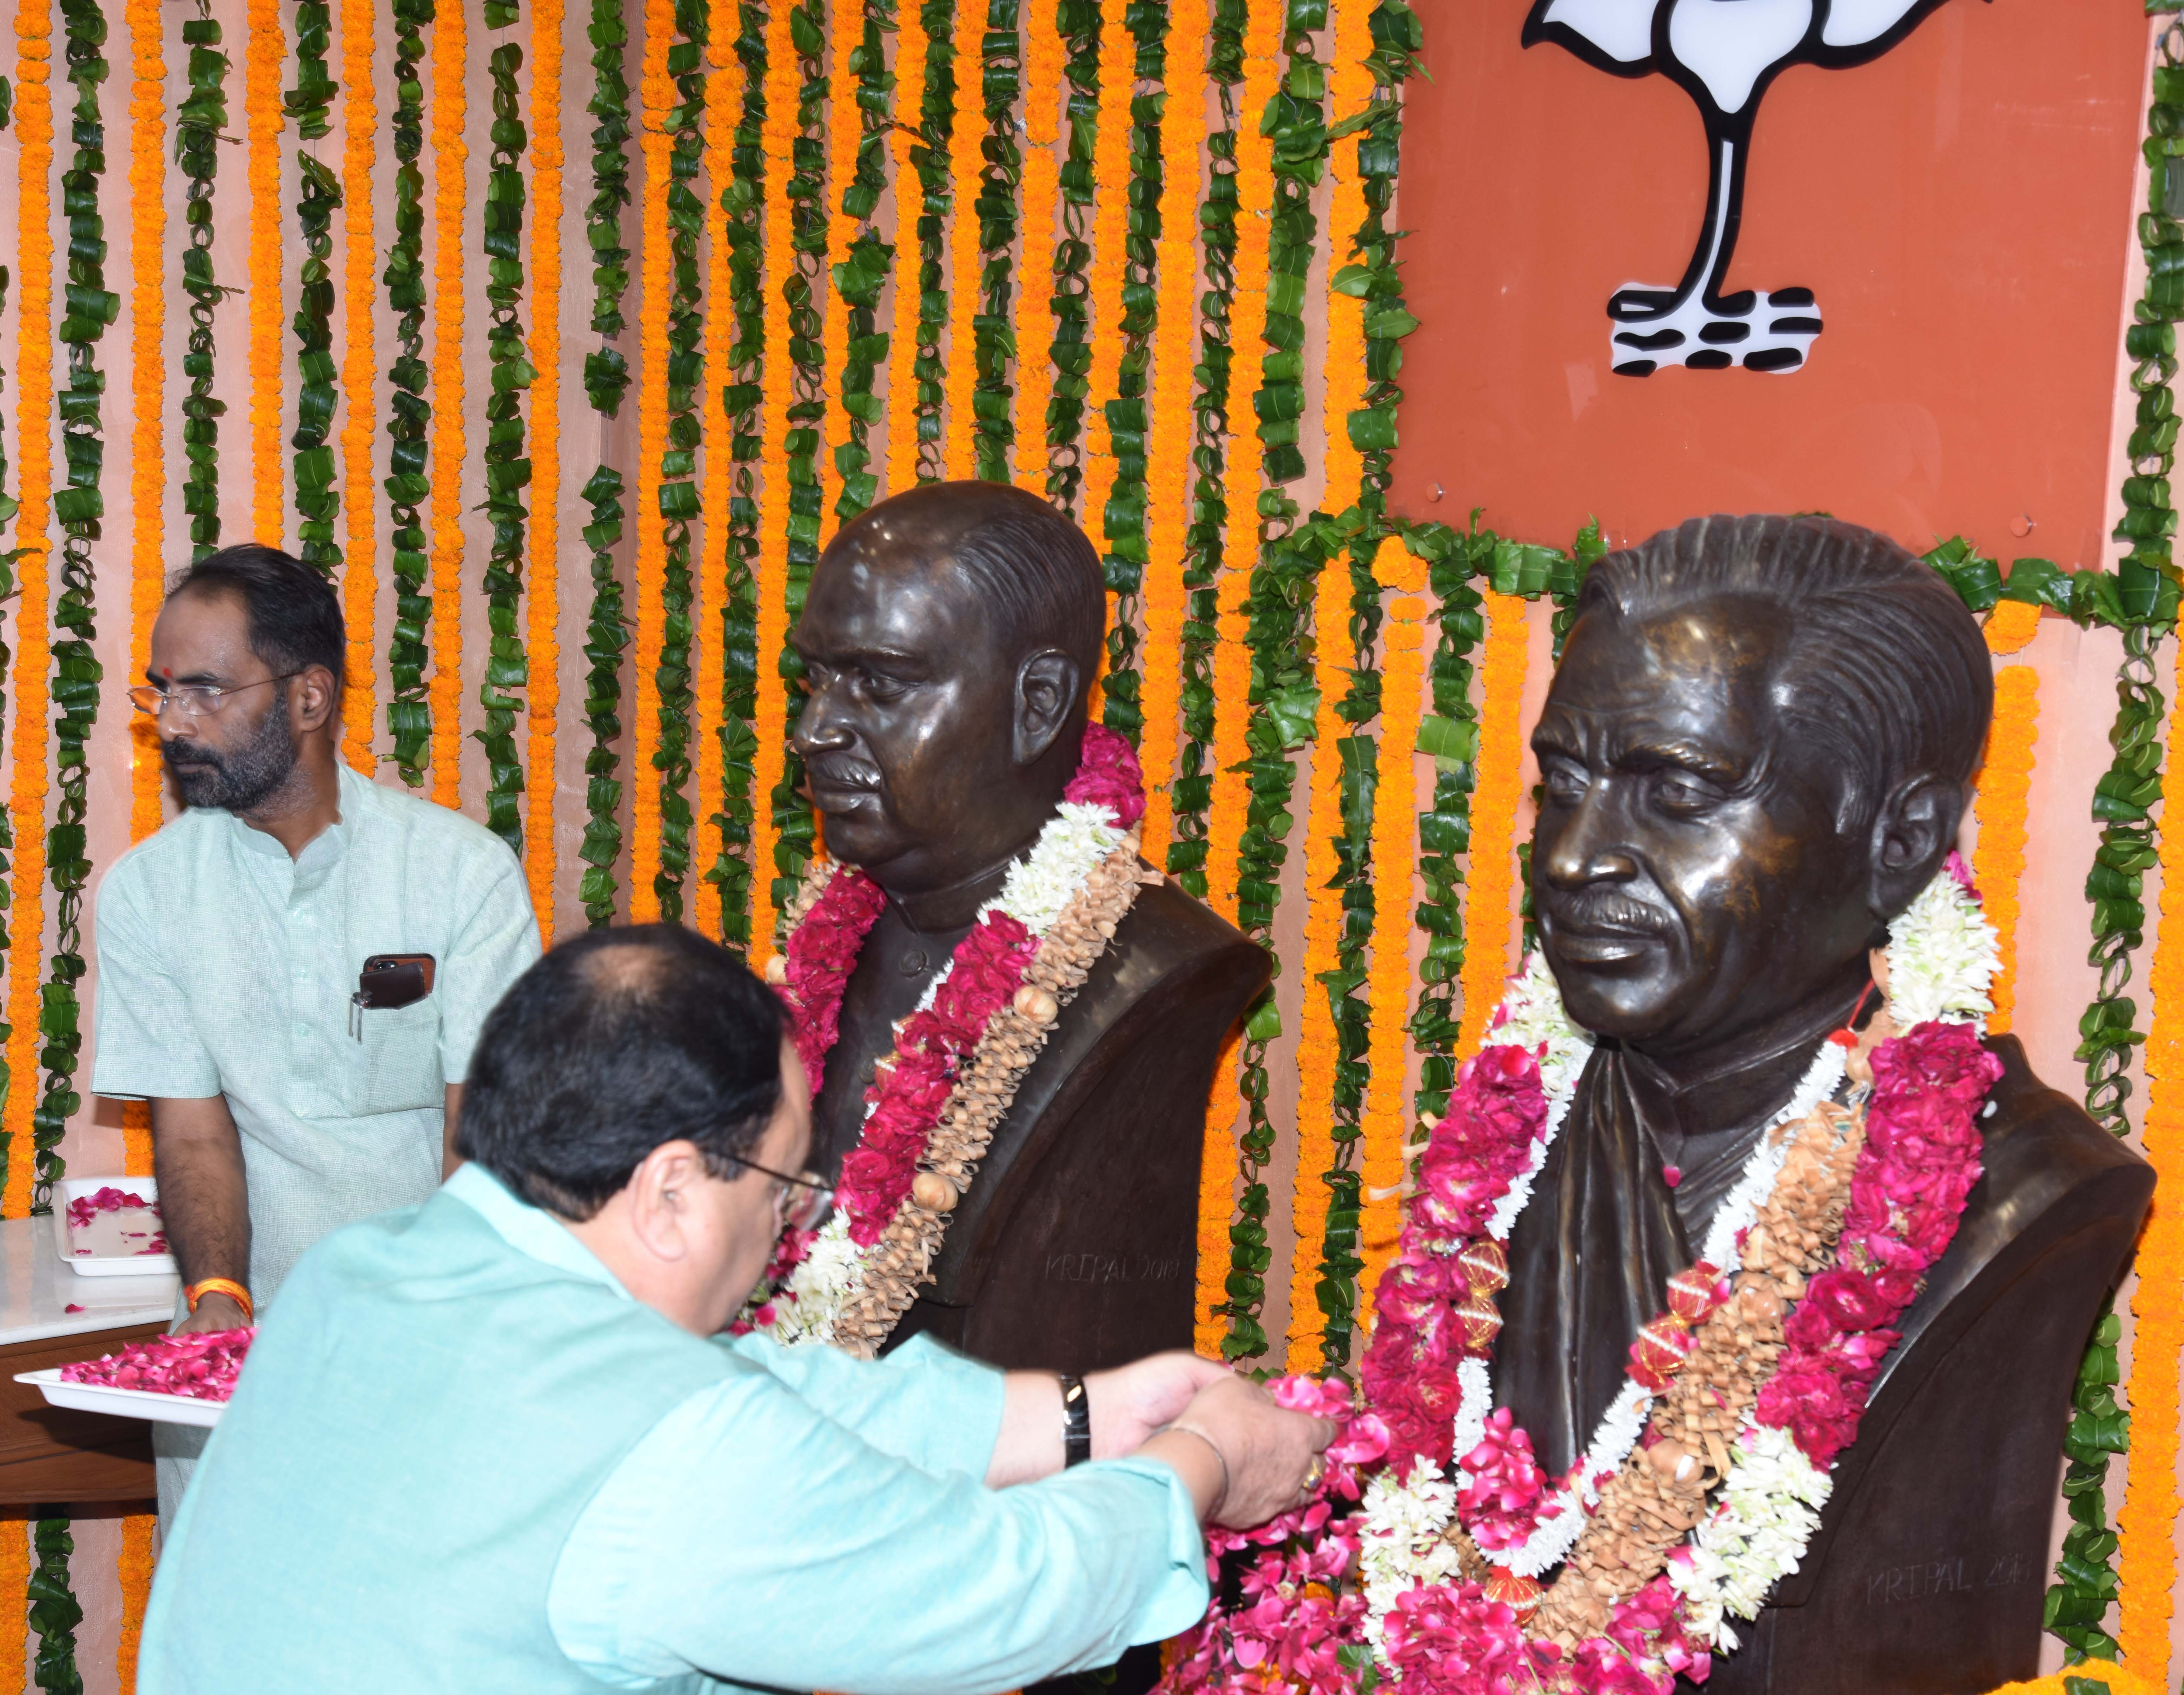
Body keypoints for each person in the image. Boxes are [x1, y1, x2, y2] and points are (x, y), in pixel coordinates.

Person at [138, 925, 1333, 1692]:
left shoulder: (356, 1276)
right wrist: (1206, 1462)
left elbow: (750, 1401)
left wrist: (1083, 1417)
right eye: (783, 1186)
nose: (786, 1228)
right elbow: (1004, 1593)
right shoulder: (675, 1457)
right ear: (668, 1190)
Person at [1497, 514, 2151, 1691]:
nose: (1573, 858)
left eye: (1681, 795)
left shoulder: (2021, 1186)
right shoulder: (1511, 1136)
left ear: (1897, 843)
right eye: (1564, 786)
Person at [90, 543, 542, 1517]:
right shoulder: (147, 894)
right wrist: (217, 1296)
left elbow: (486, 1130)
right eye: (162, 691)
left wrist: (413, 1312)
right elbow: (195, 1127)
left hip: (433, 1339)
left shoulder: (460, 873)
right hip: (241, 1362)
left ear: (309, 697)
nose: (173, 722)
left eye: (205, 690)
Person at [787, 481, 1269, 1369]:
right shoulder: (830, 940)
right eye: (816, 680)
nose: (816, 730)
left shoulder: (1159, 969)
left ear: (1038, 704)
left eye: (881, 683)